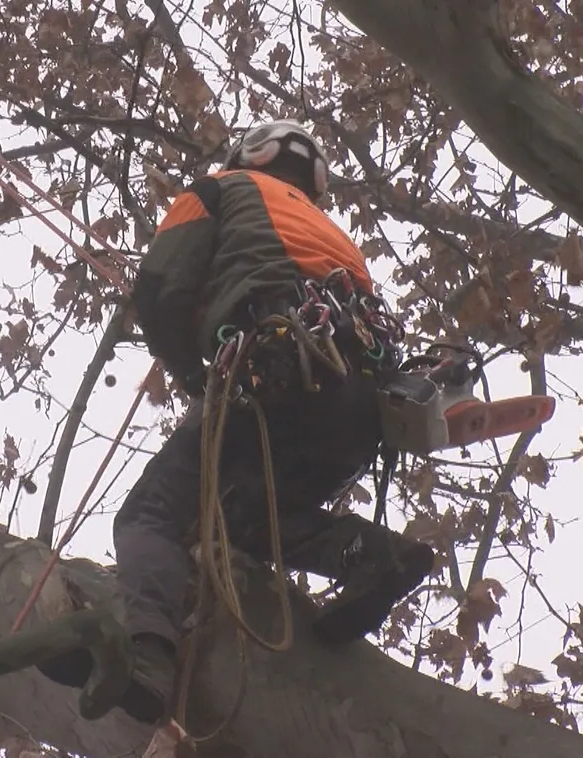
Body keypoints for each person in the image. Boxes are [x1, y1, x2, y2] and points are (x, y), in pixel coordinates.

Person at [107, 120, 436, 724]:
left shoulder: (219, 189)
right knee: (249, 521)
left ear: (251, 153)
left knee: (150, 515)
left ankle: (147, 657)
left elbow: (160, 287)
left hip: (274, 374)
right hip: (359, 407)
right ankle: (372, 554)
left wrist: (191, 374)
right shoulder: (334, 235)